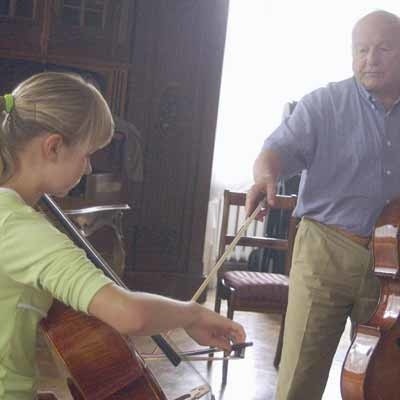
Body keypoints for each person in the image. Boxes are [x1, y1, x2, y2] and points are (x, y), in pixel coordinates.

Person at [0, 72, 246, 400]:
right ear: (54, 147)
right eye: (87, 154)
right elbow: (130, 314)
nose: (87, 168)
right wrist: (193, 313)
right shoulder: (22, 229)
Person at [245, 9, 400, 400]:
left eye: (384, 48)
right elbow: (276, 151)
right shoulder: (323, 104)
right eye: (361, 49)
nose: (371, 58)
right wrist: (266, 173)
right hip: (325, 251)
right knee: (301, 374)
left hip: (394, 260)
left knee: (382, 379)